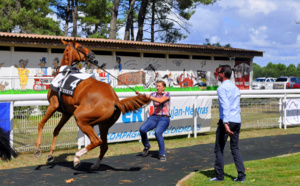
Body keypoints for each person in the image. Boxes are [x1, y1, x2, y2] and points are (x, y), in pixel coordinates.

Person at [209, 65, 246, 182]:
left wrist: (225, 123)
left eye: (218, 72)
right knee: (235, 148)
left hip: (227, 121)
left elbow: (225, 106)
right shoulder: (235, 87)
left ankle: (219, 176)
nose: (217, 74)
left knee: (219, 148)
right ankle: (241, 176)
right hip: (237, 120)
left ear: (222, 74)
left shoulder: (221, 89)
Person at [136, 80, 170, 162]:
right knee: (142, 129)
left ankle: (162, 154)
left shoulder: (167, 94)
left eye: (159, 86)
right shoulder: (153, 94)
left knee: (157, 132)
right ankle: (147, 146)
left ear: (164, 87)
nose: (157, 88)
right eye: (157, 86)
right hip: (154, 117)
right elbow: (145, 98)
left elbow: (160, 100)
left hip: (164, 118)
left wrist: (148, 96)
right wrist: (139, 94)